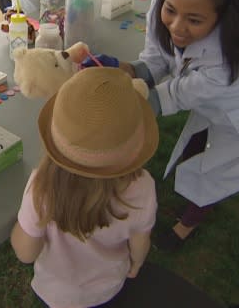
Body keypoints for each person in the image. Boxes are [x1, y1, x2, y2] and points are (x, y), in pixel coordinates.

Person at [83, 0, 239, 251]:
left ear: (223, 17)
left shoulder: (228, 61)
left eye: (194, 20)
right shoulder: (163, 8)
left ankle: (187, 224)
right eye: (171, 10)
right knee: (199, 136)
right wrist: (119, 68)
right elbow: (156, 63)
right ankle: (193, 172)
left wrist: (106, 108)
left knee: (217, 169)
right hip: (212, 94)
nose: (177, 27)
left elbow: (167, 96)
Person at [11, 67, 159, 307]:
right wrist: (137, 264)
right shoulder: (143, 187)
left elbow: (25, 253)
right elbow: (140, 242)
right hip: (109, 288)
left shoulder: (42, 185)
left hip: (56, 293)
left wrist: (21, 227)